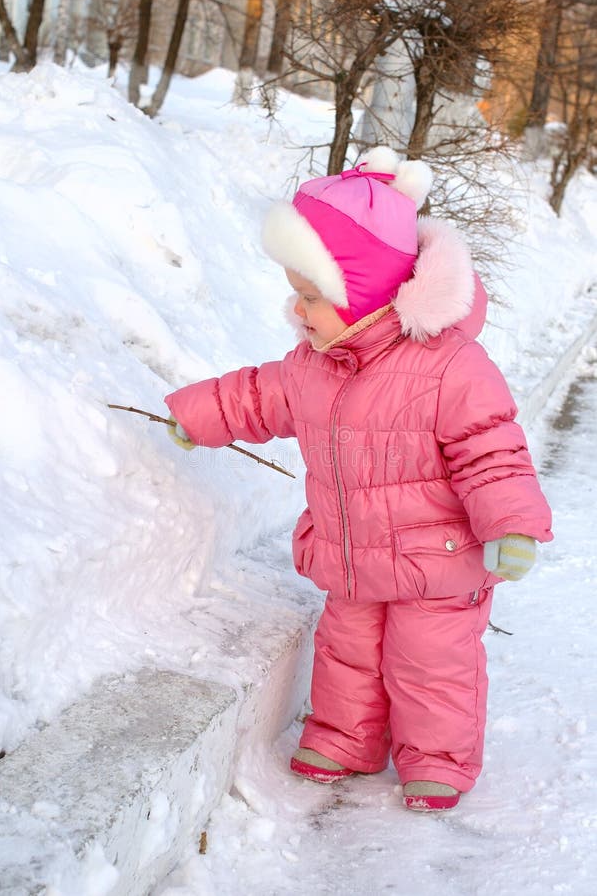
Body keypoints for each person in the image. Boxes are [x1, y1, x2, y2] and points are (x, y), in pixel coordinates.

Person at [164, 147, 552, 812]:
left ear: (363, 294)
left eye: (311, 295)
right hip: (353, 560)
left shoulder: (450, 368)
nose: (297, 309)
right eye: (296, 293)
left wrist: (510, 526)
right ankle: (345, 739)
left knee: (430, 667)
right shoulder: (314, 365)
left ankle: (435, 761)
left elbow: (490, 451)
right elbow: (258, 397)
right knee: (347, 652)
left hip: (439, 564)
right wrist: (198, 416)